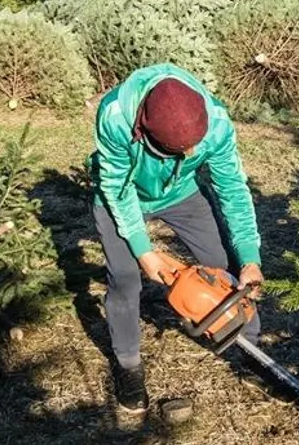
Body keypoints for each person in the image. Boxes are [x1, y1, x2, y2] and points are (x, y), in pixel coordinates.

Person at [90, 63, 263, 414]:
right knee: (125, 280)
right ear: (143, 128)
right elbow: (115, 187)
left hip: (181, 194)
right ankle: (128, 366)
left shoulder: (215, 122)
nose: (185, 157)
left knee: (220, 263)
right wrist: (143, 251)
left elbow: (231, 188)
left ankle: (250, 346)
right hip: (121, 197)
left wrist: (249, 257)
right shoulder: (115, 115)